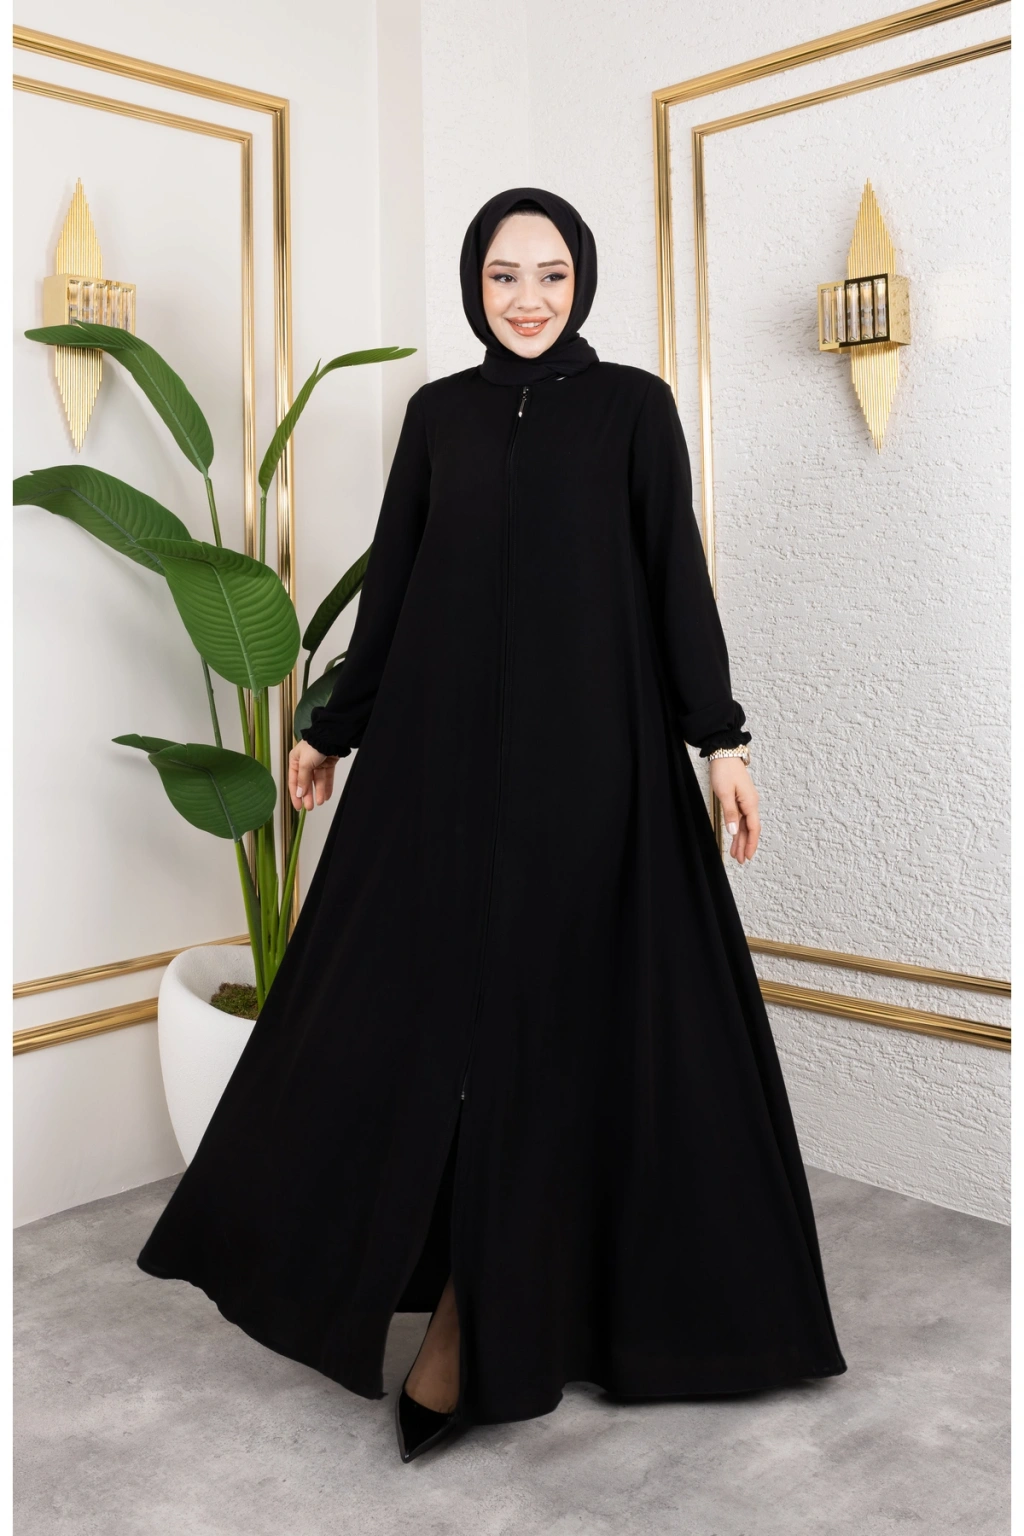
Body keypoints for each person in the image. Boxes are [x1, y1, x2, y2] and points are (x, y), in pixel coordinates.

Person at [137, 187, 847, 1464]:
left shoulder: (632, 408)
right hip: (439, 766)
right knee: (416, 1021)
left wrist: (721, 740)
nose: (528, 298)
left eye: (552, 275)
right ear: (475, 284)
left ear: (583, 283)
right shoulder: (439, 416)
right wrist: (332, 728)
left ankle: (485, 1323)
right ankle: (442, 1295)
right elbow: (397, 586)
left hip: (595, 771)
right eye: (505, 275)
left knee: (557, 1030)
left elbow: (673, 578)